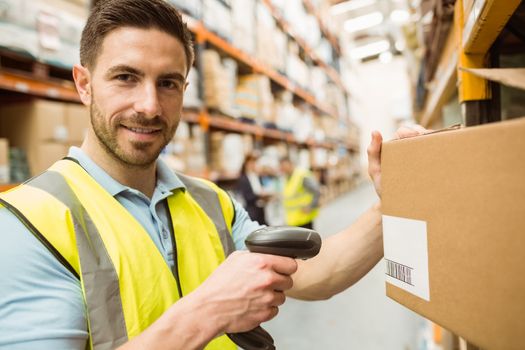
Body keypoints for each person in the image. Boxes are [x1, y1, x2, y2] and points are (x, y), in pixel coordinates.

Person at [0, 1, 427, 349]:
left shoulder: (208, 201)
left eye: (168, 83)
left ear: (185, 90)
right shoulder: (29, 223)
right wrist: (208, 311)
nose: (149, 105)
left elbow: (320, 274)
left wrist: (391, 202)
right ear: (84, 84)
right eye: (126, 78)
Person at [280, 157, 321, 229]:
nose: (283, 168)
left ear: (290, 164)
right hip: (293, 220)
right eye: (282, 166)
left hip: (304, 218)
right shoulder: (286, 177)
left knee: (308, 239)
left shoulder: (301, 175)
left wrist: (311, 206)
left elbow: (316, 191)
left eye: (285, 166)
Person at [236, 153, 271, 225]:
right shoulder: (243, 179)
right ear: (246, 164)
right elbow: (247, 197)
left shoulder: (257, 176)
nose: (253, 165)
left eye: (254, 163)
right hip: (252, 212)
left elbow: (262, 189)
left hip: (261, 210)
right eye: (251, 163)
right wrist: (260, 195)